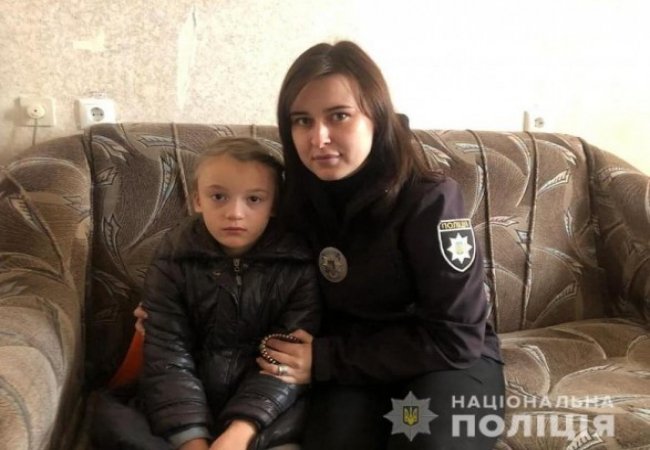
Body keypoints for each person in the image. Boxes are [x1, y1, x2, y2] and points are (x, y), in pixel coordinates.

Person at [254, 41, 505, 449]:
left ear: (377, 117)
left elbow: (457, 337)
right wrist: (172, 307)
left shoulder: (431, 200)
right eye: (302, 121)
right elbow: (247, 273)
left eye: (339, 116)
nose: (318, 137)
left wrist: (326, 359)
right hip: (353, 365)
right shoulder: (290, 199)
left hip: (446, 361)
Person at [93, 137, 320, 450]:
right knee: (110, 419)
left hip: (266, 409)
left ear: (274, 205)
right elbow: (167, 354)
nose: (235, 213)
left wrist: (240, 432)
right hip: (182, 397)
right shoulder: (173, 257)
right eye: (218, 196)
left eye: (254, 199)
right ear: (197, 200)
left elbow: (285, 360)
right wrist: (192, 439)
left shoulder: (297, 264)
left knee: (315, 419)